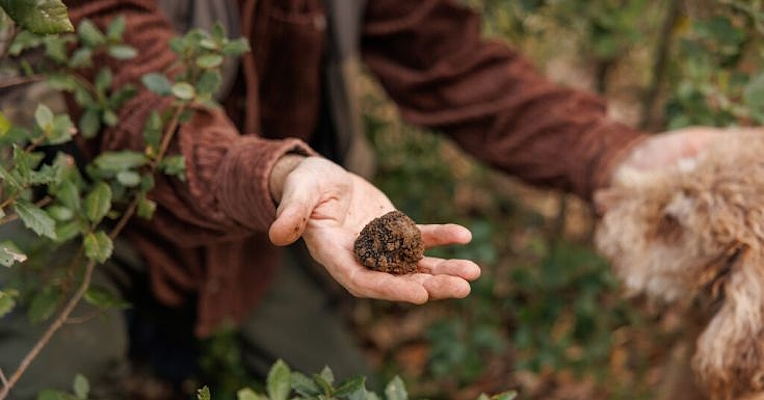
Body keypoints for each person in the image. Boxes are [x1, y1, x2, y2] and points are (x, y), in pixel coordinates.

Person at [0, 0, 722, 399]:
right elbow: (143, 114)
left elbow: (454, 64)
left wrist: (616, 156)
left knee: (348, 387)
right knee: (41, 381)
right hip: (79, 208)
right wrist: (282, 174)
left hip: (260, 231)